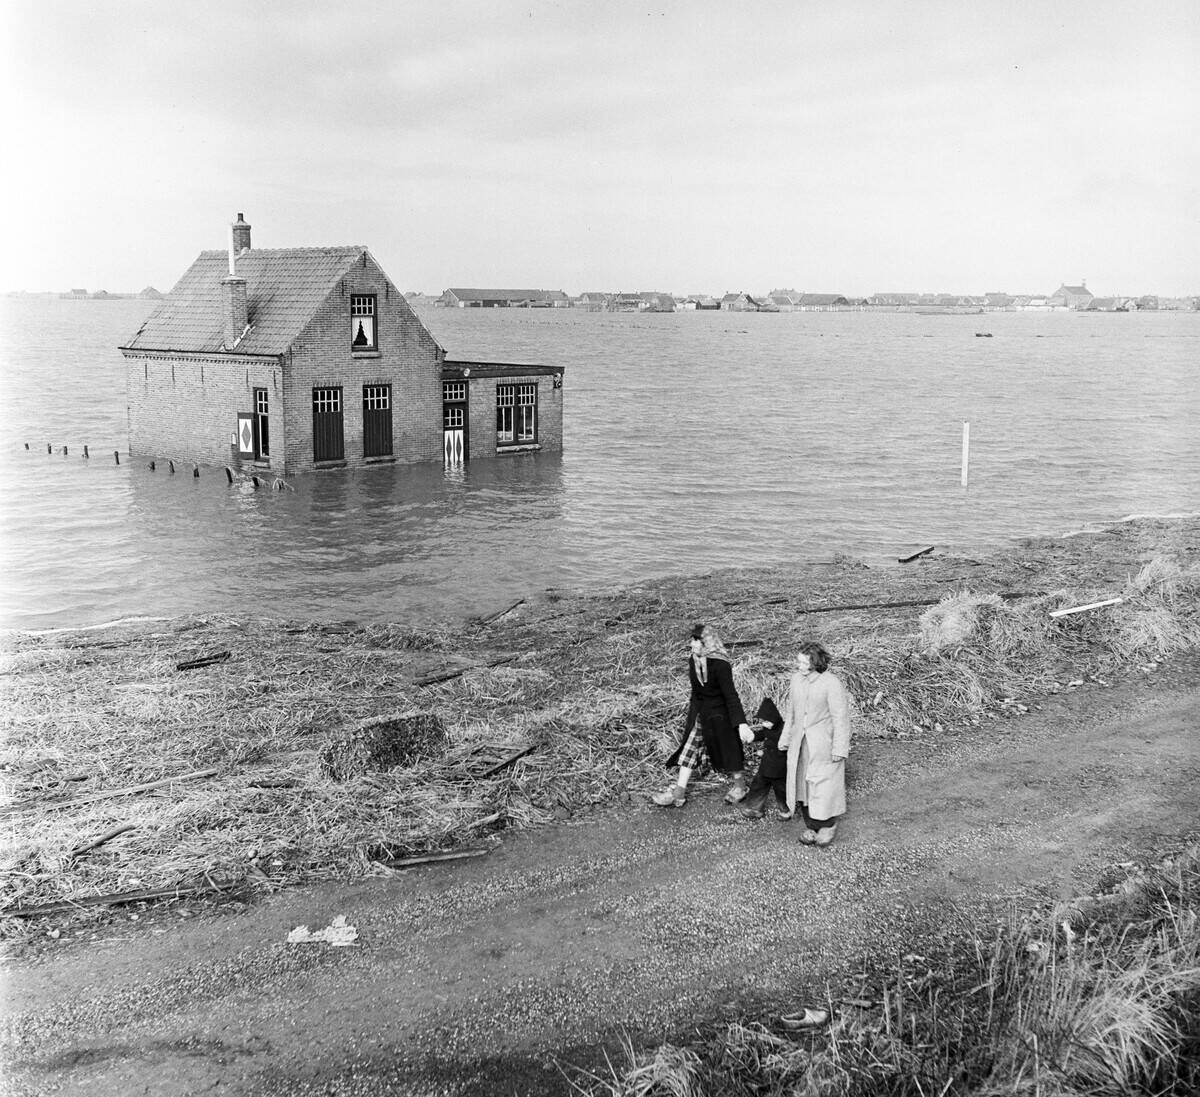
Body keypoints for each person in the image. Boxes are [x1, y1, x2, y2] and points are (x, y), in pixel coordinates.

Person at [653, 623, 752, 808]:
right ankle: (679, 793)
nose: (691, 645)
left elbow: (731, 695)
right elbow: (696, 692)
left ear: (706, 643)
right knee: (689, 749)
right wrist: (693, 716)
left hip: (721, 715)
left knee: (729, 750)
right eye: (692, 640)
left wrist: (741, 723)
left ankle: (740, 787)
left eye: (695, 641)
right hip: (701, 712)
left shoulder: (721, 665)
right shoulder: (694, 660)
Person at [777, 640, 852, 846]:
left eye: (803, 663)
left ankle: (828, 825)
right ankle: (812, 825)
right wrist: (785, 738)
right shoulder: (796, 680)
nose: (799, 667)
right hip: (800, 743)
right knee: (803, 785)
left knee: (823, 786)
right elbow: (791, 713)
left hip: (823, 745)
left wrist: (839, 748)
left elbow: (840, 718)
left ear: (815, 663)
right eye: (798, 662)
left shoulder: (831, 683)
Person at [738, 697, 792, 820]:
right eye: (762, 721)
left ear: (774, 718)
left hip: (780, 767)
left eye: (766, 721)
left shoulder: (784, 729)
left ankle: (786, 810)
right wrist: (752, 737)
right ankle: (754, 808)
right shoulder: (768, 728)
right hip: (766, 765)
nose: (763, 724)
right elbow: (762, 734)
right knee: (758, 786)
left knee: (781, 790)